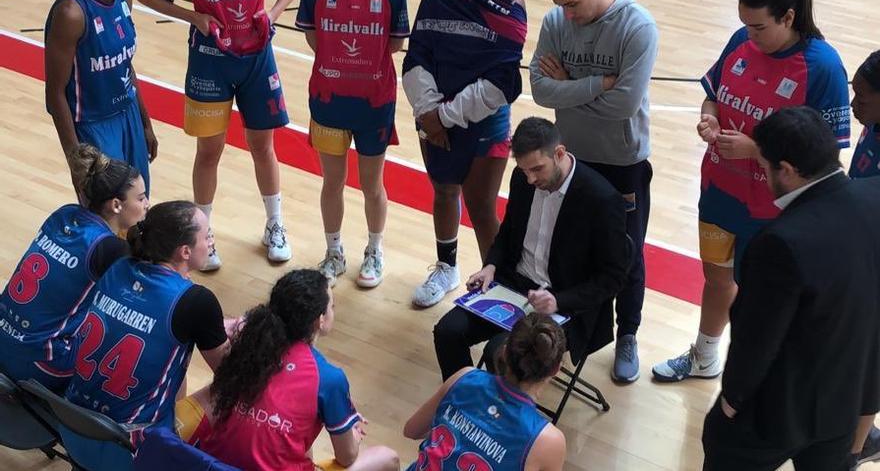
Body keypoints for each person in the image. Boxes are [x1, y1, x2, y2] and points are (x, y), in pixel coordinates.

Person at [653, 0, 851, 383]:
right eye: (745, 24)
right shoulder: (741, 41)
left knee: (765, 301)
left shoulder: (823, 67)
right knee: (717, 279)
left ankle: (756, 380)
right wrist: (709, 116)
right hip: (719, 192)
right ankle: (705, 357)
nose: (750, 34)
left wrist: (756, 150)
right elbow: (713, 91)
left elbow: (825, 158)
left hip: (773, 212)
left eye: (759, 26)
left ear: (789, 16)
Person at [701, 106, 880, 471]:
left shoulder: (779, 244)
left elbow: (756, 339)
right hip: (847, 398)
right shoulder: (873, 197)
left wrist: (731, 401)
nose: (764, 177)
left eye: (765, 167)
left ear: (787, 169)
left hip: (781, 411)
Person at [528, 0, 658, 383]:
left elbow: (624, 104)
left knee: (627, 252)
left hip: (622, 161)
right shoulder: (555, 20)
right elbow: (539, 90)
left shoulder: (637, 27)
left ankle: (628, 334)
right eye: (561, 5)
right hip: (572, 159)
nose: (568, 14)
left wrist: (567, 84)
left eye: (574, 4)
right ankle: (572, 329)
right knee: (572, 247)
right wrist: (590, 86)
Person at [432, 117, 630, 381]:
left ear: (559, 153)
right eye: (524, 170)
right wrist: (491, 266)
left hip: (564, 302)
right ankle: (465, 402)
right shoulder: (523, 178)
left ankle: (501, 417)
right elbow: (509, 231)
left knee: (500, 353)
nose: (530, 178)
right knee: (447, 331)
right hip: (513, 285)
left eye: (537, 169)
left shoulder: (602, 200)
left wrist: (558, 301)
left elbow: (613, 278)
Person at [136, 0, 303, 270]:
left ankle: (274, 224)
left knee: (263, 146)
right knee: (209, 150)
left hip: (257, 58)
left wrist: (273, 13)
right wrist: (194, 16)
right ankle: (202, 232)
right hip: (209, 59)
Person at [173, 269, 398, 471]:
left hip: (211, 464)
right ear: (320, 320)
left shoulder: (249, 347)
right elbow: (347, 457)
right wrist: (353, 435)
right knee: (387, 458)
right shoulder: (329, 378)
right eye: (332, 306)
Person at [62, 201, 230, 471]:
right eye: (207, 235)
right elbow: (232, 372)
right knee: (225, 389)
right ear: (185, 251)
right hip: (127, 449)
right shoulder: (197, 301)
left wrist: (212, 326)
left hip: (71, 426)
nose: (211, 241)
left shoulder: (117, 263)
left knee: (170, 351)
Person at [402, 0, 527, 307]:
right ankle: (447, 268)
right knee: (444, 190)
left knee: (481, 207)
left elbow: (502, 82)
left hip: (482, 116)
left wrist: (442, 117)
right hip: (432, 109)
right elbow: (418, 54)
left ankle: (500, 287)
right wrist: (429, 110)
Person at [0, 144, 147, 392]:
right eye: (141, 198)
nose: (147, 205)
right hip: (41, 363)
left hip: (3, 337)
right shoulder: (110, 249)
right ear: (116, 205)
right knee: (133, 341)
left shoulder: (64, 214)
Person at [295, 0, 409, 288]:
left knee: (372, 185)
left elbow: (395, 43)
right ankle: (334, 253)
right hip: (328, 100)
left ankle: (374, 251)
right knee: (332, 181)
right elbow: (312, 34)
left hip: (374, 103)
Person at [405, 313, 567, 471]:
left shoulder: (465, 375)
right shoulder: (548, 440)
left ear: (504, 351)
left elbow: (411, 430)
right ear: (555, 369)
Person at [45, 0, 157, 196]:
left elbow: (125, 64)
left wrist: (145, 123)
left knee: (138, 208)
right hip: (93, 123)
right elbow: (55, 94)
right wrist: (74, 157)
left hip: (129, 113)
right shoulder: (71, 13)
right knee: (108, 212)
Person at [844, 50, 880, 470]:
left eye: (863, 97)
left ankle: (850, 454)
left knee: (868, 364)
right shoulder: (872, 125)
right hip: (860, 251)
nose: (853, 105)